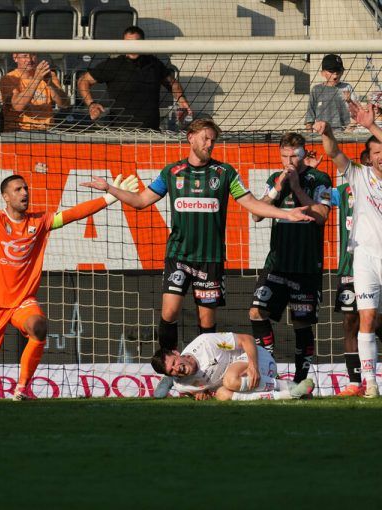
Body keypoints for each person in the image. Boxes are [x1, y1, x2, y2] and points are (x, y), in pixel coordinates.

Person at [81, 119, 313, 397]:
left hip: (210, 259)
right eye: (205, 138)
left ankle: (204, 380)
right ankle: (169, 373)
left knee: (206, 324)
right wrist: (109, 188)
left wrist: (287, 214)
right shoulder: (172, 172)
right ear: (190, 137)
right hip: (178, 255)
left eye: (213, 140)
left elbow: (252, 204)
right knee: (169, 312)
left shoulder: (225, 172)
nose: (209, 144)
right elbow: (141, 201)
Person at [0, 169, 137, 400]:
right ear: (6, 197)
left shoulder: (39, 222)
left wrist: (111, 196)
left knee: (39, 327)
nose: (25, 192)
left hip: (23, 301)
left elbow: (73, 214)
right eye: (18, 189)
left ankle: (22, 388)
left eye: (26, 188)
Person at [247, 133, 332, 384]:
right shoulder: (276, 178)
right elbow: (256, 215)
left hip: (306, 265)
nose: (289, 161)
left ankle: (299, 382)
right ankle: (268, 368)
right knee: (256, 311)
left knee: (301, 323)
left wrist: (296, 188)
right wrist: (278, 187)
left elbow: (322, 216)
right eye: (284, 156)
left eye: (294, 156)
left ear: (303, 153)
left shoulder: (320, 179)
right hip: (277, 263)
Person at [314, 101, 382, 398]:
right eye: (376, 152)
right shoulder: (359, 175)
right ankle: (370, 383)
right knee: (365, 318)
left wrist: (371, 126)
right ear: (369, 157)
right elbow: (334, 153)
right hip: (364, 258)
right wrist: (327, 132)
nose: (380, 157)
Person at [332, 149, 382, 396]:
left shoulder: (374, 188)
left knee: (374, 321)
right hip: (351, 264)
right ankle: (357, 383)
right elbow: (318, 204)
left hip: (374, 258)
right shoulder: (341, 191)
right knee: (354, 320)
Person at [77, 26, 192, 130]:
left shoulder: (154, 64)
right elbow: (83, 81)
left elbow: (172, 83)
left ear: (143, 43)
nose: (131, 47)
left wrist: (181, 99)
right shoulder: (113, 65)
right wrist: (91, 104)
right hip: (119, 132)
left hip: (151, 132)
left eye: (135, 43)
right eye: (128, 43)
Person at [151, 332, 315, 401]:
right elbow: (195, 392)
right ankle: (290, 394)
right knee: (222, 394)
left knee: (229, 380)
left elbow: (247, 339)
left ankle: (287, 385)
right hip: (243, 383)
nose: (177, 369)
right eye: (171, 371)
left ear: (177, 353)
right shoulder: (182, 384)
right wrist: (200, 394)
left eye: (174, 363)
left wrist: (253, 366)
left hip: (259, 360)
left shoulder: (205, 343)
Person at [0, 53, 70, 132]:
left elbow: (65, 104)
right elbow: (18, 106)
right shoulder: (8, 79)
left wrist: (51, 84)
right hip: (19, 130)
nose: (29, 60)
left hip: (47, 130)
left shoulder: (49, 75)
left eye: (33, 55)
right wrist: (37, 79)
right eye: (25, 56)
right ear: (15, 57)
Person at [305, 54, 356, 132]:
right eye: (331, 71)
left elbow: (357, 112)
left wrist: (350, 102)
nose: (335, 74)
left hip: (344, 134)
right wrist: (310, 134)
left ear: (342, 72)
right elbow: (309, 117)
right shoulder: (316, 90)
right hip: (322, 134)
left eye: (338, 71)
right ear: (323, 73)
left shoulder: (347, 88)